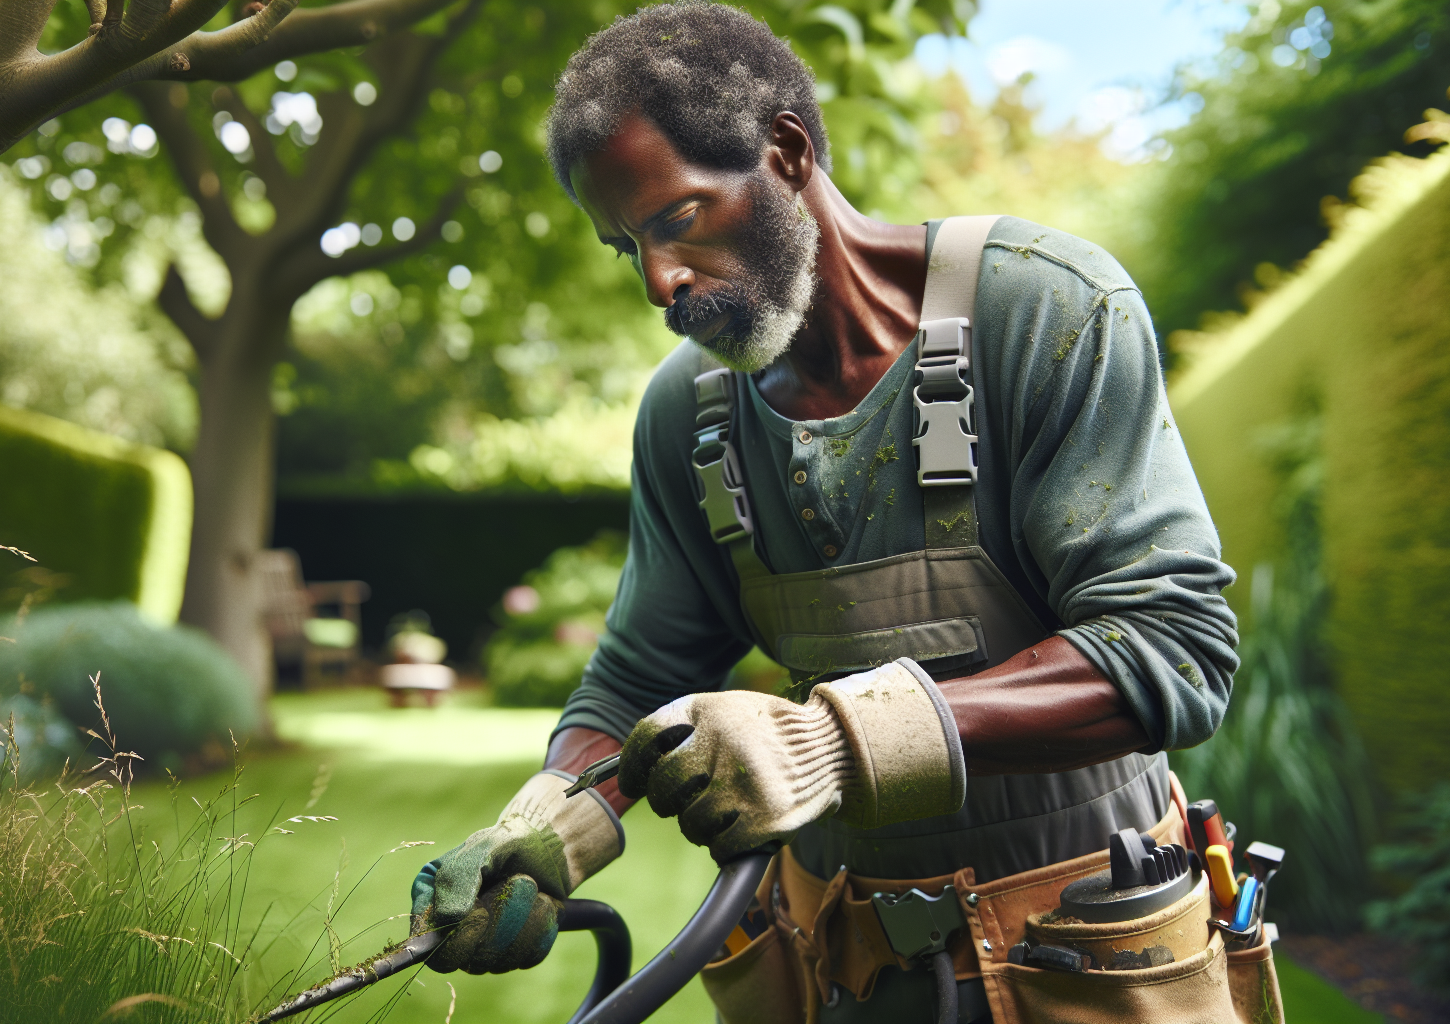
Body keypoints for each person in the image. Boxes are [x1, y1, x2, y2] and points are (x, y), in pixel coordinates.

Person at [410, 4, 1239, 1020]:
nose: (658, 281)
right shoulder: (688, 417)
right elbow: (639, 676)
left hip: (1087, 953)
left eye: (674, 218)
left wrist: (836, 741)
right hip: (848, 966)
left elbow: (1170, 650)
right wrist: (544, 824)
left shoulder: (1043, 313)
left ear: (786, 150)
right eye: (625, 247)